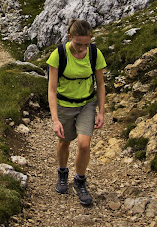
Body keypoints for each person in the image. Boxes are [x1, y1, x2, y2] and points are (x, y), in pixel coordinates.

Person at [46, 19, 107, 206]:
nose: (82, 49)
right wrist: (55, 119)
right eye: (78, 44)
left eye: (86, 44)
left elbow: (101, 84)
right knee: (64, 141)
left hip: (86, 104)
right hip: (65, 105)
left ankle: (80, 181)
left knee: (84, 144)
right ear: (70, 37)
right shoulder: (59, 55)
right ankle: (62, 173)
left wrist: (101, 112)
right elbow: (51, 89)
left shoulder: (95, 54)